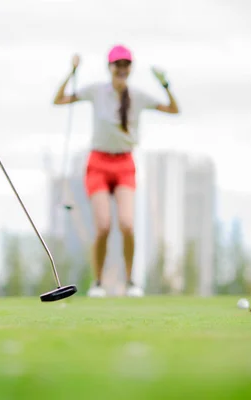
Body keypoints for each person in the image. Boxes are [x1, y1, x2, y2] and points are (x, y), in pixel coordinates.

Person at [52, 45, 179, 298]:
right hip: (98, 163)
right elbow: (59, 100)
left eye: (126, 65)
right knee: (103, 226)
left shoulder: (139, 96)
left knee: (127, 225)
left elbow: (173, 109)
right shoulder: (96, 91)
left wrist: (165, 84)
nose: (121, 69)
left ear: (130, 68)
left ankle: (131, 282)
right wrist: (71, 71)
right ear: (109, 67)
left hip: (124, 165)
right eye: (117, 64)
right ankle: (98, 283)